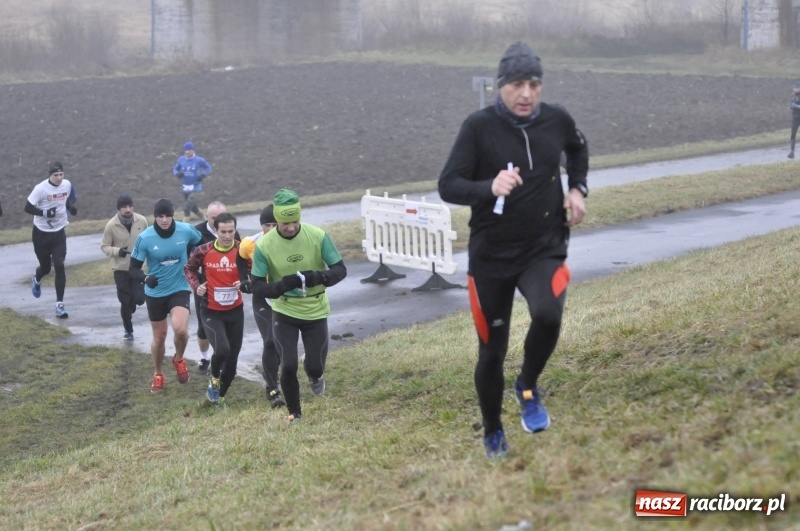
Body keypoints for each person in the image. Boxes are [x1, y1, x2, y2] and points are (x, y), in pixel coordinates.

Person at [438, 41, 589, 459]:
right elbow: (448, 184)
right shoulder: (478, 127)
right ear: (501, 86)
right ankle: (492, 431)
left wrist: (577, 188)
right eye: (518, 85)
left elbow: (577, 148)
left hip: (544, 246)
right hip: (491, 258)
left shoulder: (557, 120)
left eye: (534, 84)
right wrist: (489, 187)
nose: (526, 93)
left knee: (547, 314)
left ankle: (526, 385)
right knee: (492, 351)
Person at [250, 189, 347, 422]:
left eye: (294, 221)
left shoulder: (318, 235)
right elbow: (257, 287)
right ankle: (295, 414)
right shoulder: (265, 245)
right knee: (289, 364)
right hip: (285, 311)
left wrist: (319, 277)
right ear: (277, 221)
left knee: (314, 367)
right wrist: (282, 285)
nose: (290, 227)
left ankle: (315, 374)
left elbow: (340, 270)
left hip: (315, 309)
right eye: (284, 223)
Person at [129, 198, 203, 393]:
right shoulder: (145, 238)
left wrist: (196, 264)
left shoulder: (185, 230)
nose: (164, 220)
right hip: (155, 292)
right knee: (160, 336)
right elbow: (133, 269)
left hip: (179, 287)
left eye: (167, 216)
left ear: (172, 215)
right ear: (155, 217)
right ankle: (158, 374)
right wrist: (145, 279)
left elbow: (203, 243)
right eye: (160, 216)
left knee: (180, 329)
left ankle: (179, 359)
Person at [185, 212, 246, 406]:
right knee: (222, 349)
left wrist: (246, 282)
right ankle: (213, 378)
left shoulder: (242, 250)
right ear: (216, 230)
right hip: (211, 311)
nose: (227, 236)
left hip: (236, 311)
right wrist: (197, 287)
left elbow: (256, 272)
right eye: (223, 232)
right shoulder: (204, 250)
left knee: (232, 364)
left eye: (231, 231)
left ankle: (218, 398)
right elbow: (189, 268)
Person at [237, 204, 285, 408]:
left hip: (286, 299)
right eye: (267, 225)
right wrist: (244, 281)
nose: (272, 229)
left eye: (276, 225)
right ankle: (272, 388)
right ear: (261, 226)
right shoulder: (250, 243)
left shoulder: (291, 240)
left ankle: (276, 375)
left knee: (283, 344)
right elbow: (239, 258)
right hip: (262, 298)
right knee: (270, 342)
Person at [191, 201, 241, 375]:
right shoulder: (197, 233)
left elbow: (242, 261)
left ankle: (221, 359)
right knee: (203, 328)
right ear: (207, 216)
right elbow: (189, 262)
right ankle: (205, 357)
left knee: (226, 333)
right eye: (214, 218)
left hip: (229, 290)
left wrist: (242, 280)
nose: (217, 220)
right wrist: (197, 284)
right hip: (205, 288)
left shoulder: (234, 235)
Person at [24, 161, 78, 319]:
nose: (59, 178)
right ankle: (37, 278)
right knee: (46, 268)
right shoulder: (40, 188)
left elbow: (66, 199)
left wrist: (70, 208)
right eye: (56, 175)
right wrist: (44, 213)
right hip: (41, 234)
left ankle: (59, 305)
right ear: (50, 175)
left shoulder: (67, 185)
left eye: (61, 174)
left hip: (59, 232)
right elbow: (27, 207)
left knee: (60, 266)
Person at [100, 194, 149, 340]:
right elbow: (104, 246)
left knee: (139, 299)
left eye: (130, 206)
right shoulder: (111, 225)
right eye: (124, 207)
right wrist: (117, 251)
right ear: (119, 209)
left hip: (137, 267)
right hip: (120, 269)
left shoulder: (142, 220)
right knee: (125, 301)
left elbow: (148, 239)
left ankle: (133, 304)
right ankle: (128, 330)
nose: (128, 210)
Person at [172, 141, 212, 222]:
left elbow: (208, 168)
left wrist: (203, 175)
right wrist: (177, 174)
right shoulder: (181, 160)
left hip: (195, 188)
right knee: (194, 208)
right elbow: (175, 169)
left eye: (189, 150)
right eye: (185, 150)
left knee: (186, 209)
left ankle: (184, 230)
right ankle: (207, 221)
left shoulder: (199, 160)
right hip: (185, 188)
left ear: (193, 150)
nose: (187, 152)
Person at [788, 82, 800, 159]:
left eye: (796, 88)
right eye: (794, 88)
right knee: (793, 134)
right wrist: (793, 106)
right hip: (795, 117)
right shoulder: (793, 96)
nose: (794, 89)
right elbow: (791, 105)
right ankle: (792, 152)